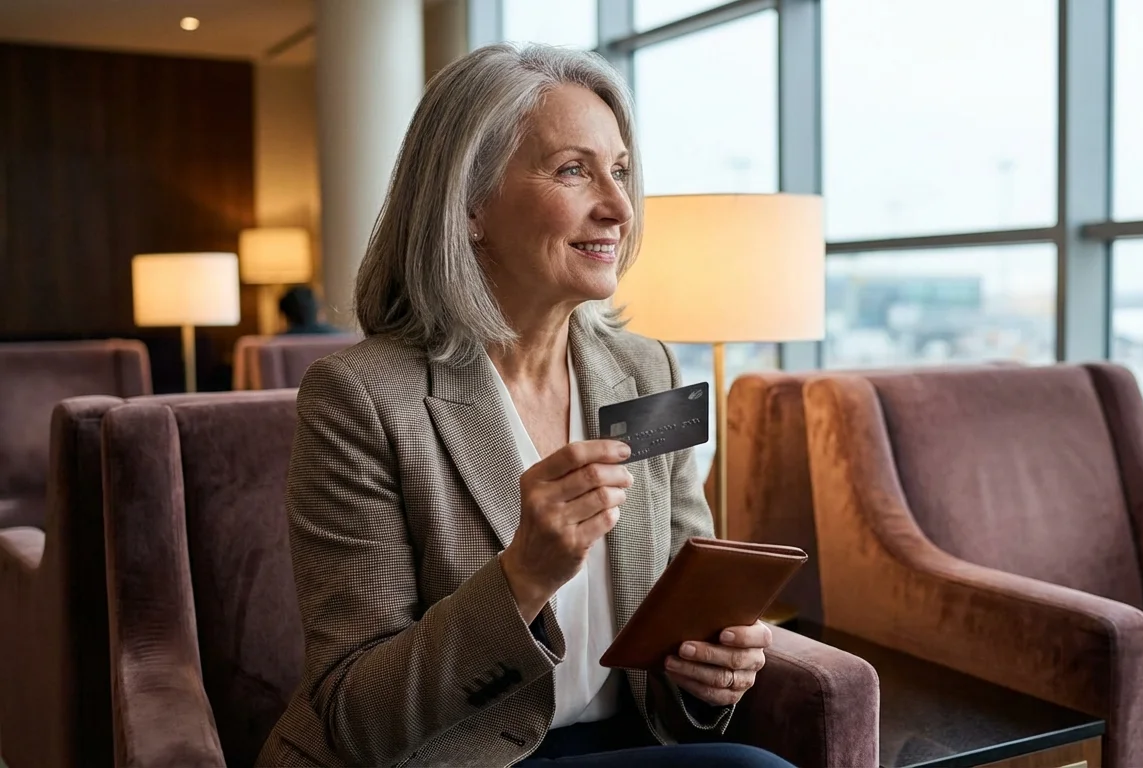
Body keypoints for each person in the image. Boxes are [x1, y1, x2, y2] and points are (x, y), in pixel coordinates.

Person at [256, 44, 792, 768]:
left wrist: (706, 678)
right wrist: (522, 578)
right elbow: (356, 715)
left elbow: (682, 615)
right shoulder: (361, 398)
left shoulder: (648, 370)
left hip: (623, 742)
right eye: (574, 170)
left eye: (621, 171)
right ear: (469, 206)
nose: (619, 207)